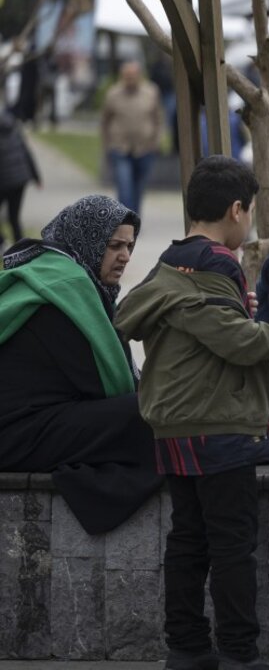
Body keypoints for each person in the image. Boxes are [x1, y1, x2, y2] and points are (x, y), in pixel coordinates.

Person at [114, 157, 269, 670]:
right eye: (249, 212)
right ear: (236, 210)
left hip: (177, 427)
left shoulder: (173, 261)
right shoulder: (216, 262)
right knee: (232, 545)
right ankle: (237, 653)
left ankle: (185, 647)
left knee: (188, 539)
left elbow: (205, 326)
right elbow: (235, 340)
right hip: (219, 425)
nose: (248, 221)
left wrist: (236, 307)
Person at [0, 195, 162, 534]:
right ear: (87, 240)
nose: (125, 257)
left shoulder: (56, 276)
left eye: (129, 246)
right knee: (148, 414)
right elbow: (109, 388)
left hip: (31, 422)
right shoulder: (67, 290)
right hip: (16, 435)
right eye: (114, 245)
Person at [101, 60, 166, 216]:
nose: (129, 79)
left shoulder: (151, 92)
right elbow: (105, 121)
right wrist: (107, 145)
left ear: (139, 75)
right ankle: (124, 219)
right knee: (124, 186)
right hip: (120, 148)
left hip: (145, 148)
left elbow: (158, 118)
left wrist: (156, 141)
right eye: (126, 76)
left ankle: (134, 218)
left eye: (132, 75)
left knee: (138, 187)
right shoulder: (113, 94)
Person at [0, 107, 41, 252]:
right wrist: (37, 177)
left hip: (5, 181)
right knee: (14, 218)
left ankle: (3, 244)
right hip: (19, 180)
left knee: (11, 217)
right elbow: (26, 152)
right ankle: (21, 250)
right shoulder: (13, 127)